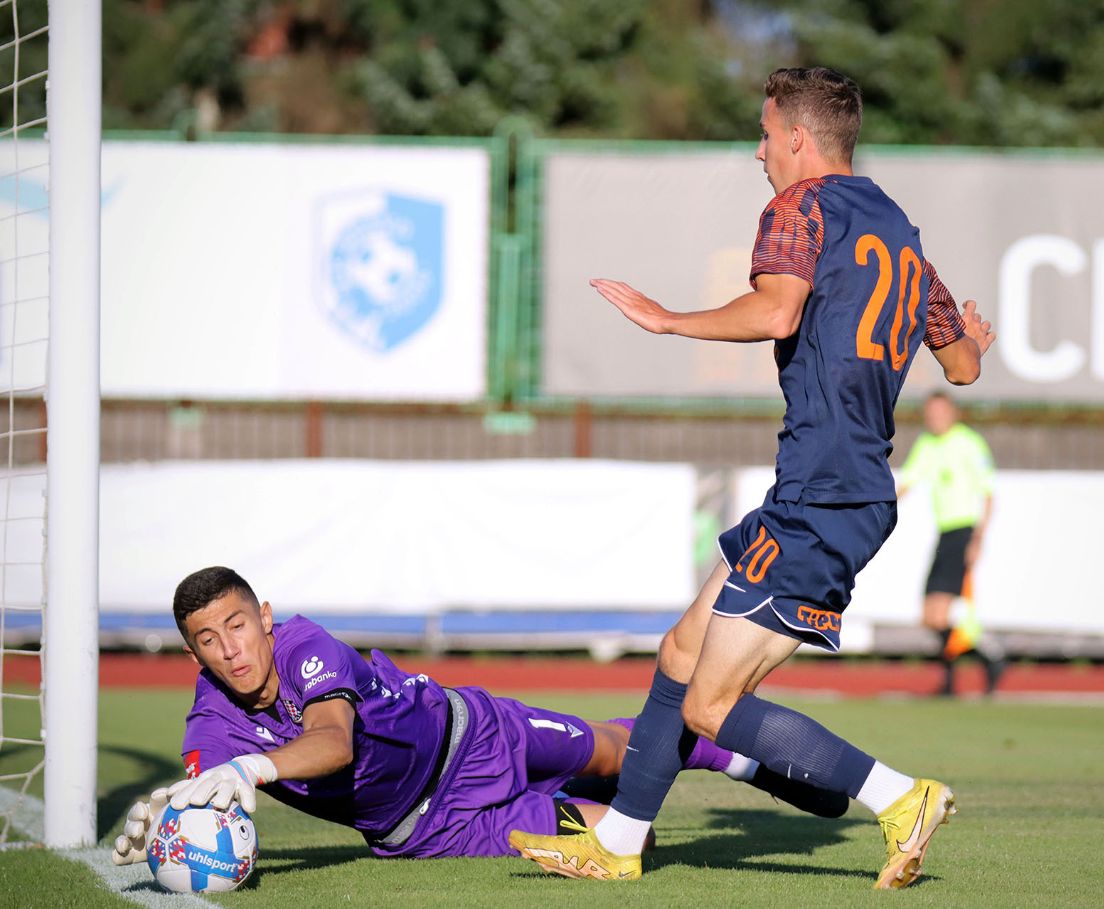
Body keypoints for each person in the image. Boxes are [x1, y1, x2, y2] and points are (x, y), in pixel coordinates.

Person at [508, 67, 995, 889]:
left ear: (799, 138)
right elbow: (964, 363)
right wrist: (968, 335)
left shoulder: (800, 207)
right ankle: (620, 839)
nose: (759, 151)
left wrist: (667, 319)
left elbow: (776, 311)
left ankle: (899, 796)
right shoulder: (898, 228)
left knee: (709, 705)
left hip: (822, 491)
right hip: (832, 487)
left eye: (766, 134)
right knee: (680, 650)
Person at [110, 566, 848, 868]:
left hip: (472, 734)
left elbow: (332, 742)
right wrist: (173, 822)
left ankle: (732, 754)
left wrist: (252, 767)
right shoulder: (209, 722)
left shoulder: (304, 643)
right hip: (430, 829)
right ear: (192, 652)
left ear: (264, 618)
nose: (230, 649)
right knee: (634, 840)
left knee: (614, 752)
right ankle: (587, 799)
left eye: (237, 625)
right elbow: (203, 782)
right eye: (208, 640)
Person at [897, 390, 1005, 696]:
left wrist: (978, 538)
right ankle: (985, 661)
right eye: (930, 414)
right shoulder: (926, 444)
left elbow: (988, 493)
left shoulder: (969, 443)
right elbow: (907, 482)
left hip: (964, 532)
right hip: (944, 533)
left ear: (953, 413)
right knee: (930, 617)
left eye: (940, 413)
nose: (934, 419)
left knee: (941, 614)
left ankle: (965, 672)